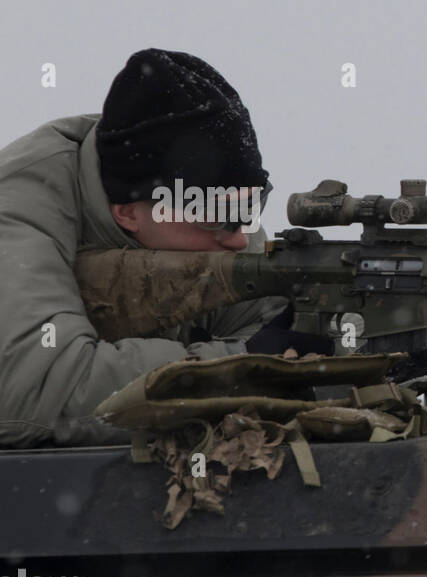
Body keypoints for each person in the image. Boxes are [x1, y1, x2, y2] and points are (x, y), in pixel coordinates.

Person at [0, 49, 329, 449]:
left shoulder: (220, 227)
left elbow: (276, 343)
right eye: (212, 214)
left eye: (248, 208)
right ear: (127, 212)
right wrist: (238, 367)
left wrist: (359, 353)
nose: (240, 238)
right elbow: (41, 395)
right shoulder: (18, 209)